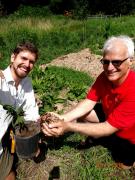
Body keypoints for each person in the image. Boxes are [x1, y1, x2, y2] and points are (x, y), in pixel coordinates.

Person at [41, 35, 135, 169]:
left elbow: (108, 127)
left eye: (116, 62)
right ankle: (102, 139)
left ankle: (125, 161)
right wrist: (63, 117)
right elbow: (89, 101)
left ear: (130, 61)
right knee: (86, 113)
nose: (109, 67)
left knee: (123, 164)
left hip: (129, 136)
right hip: (112, 118)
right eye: (106, 61)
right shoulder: (104, 77)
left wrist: (68, 126)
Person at [0, 41, 40, 179]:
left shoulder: (26, 82)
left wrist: (35, 139)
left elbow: (30, 112)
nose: (27, 64)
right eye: (23, 58)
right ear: (13, 58)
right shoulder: (1, 81)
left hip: (3, 141)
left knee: (11, 176)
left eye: (31, 61)